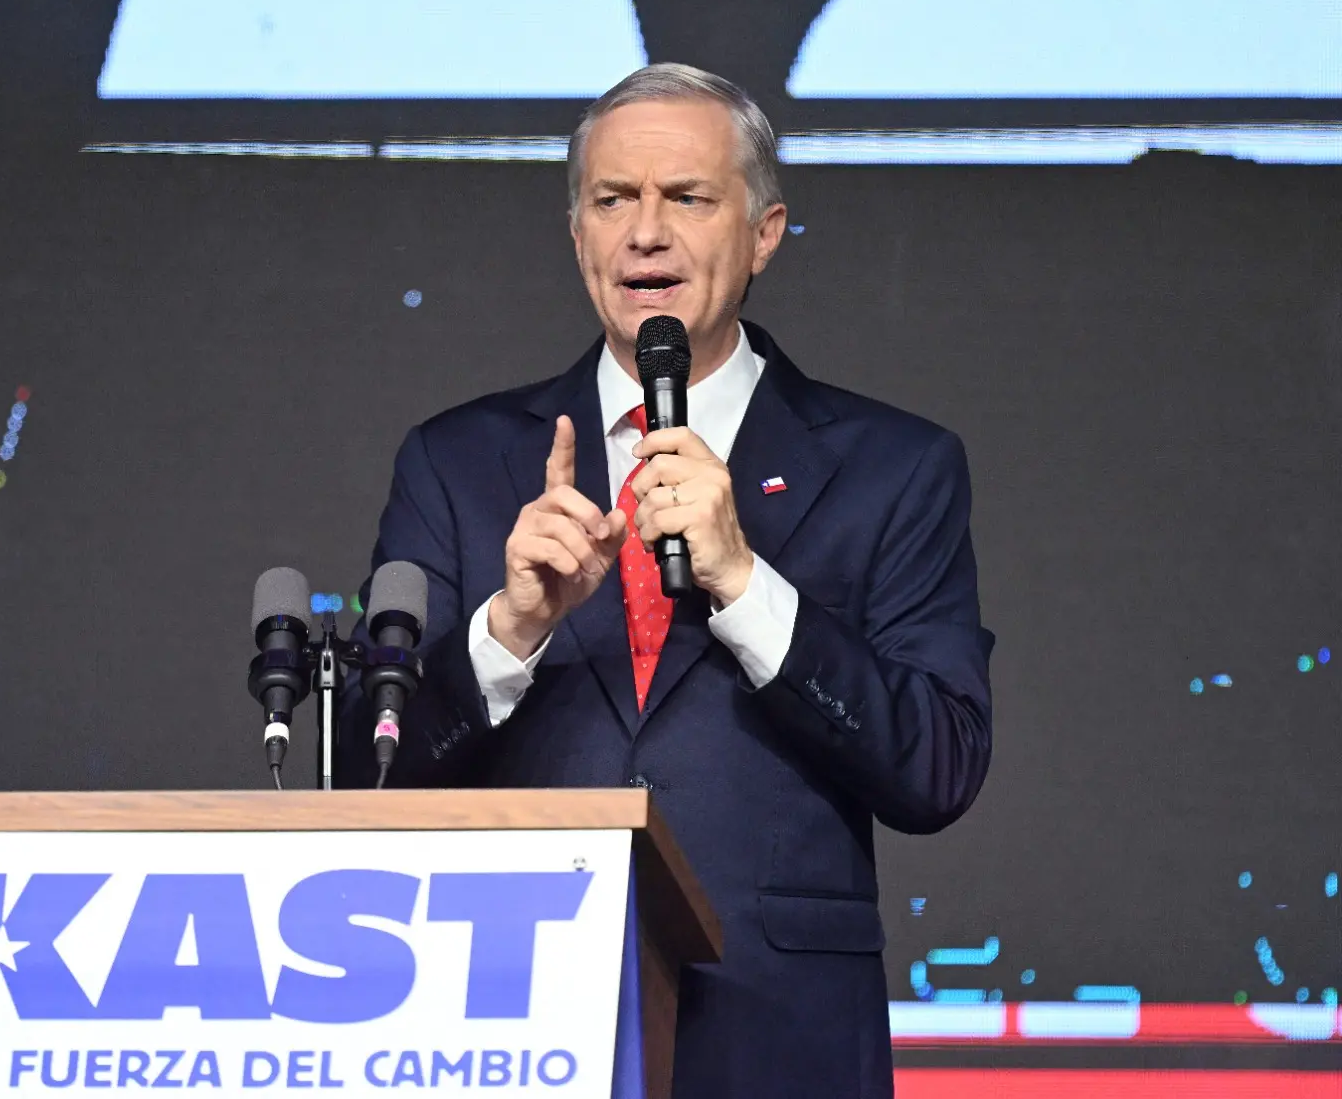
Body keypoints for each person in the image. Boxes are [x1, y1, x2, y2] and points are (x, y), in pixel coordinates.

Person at [340, 62, 993, 1097]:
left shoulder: (892, 465)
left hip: (778, 1031)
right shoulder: (457, 460)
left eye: (686, 197)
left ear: (763, 232)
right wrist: (507, 633)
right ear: (577, 237)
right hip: (508, 1018)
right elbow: (362, 771)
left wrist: (743, 582)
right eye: (612, 200)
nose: (646, 232)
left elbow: (938, 766)